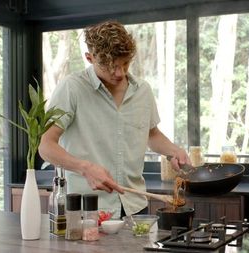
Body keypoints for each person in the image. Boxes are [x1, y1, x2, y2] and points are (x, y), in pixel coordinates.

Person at [38, 20, 189, 218]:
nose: (119, 73)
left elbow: (151, 134)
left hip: (135, 208)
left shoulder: (143, 91)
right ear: (90, 58)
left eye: (125, 64)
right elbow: (46, 146)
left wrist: (174, 151)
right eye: (109, 66)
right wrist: (85, 168)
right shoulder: (71, 88)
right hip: (87, 210)